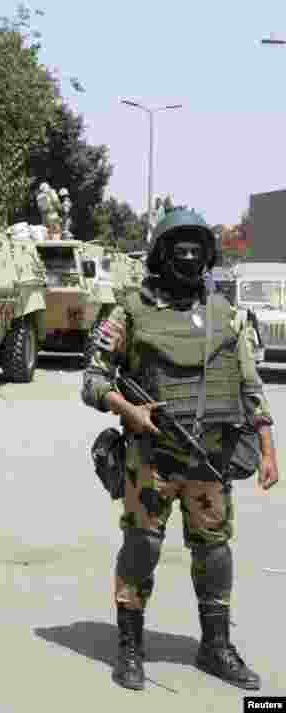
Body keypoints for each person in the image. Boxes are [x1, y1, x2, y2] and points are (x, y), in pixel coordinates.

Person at [82, 209, 279, 692]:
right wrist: (127, 411)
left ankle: (216, 646)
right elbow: (93, 378)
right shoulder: (130, 311)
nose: (188, 256)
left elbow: (250, 384)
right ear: (161, 255)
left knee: (214, 552)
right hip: (151, 459)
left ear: (207, 256)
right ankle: (130, 648)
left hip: (211, 459)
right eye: (178, 247)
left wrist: (268, 446)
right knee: (142, 549)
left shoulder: (225, 313)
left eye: (196, 248)